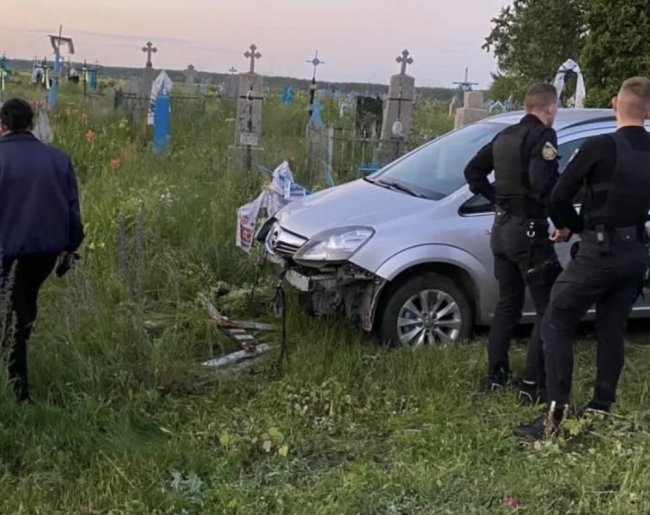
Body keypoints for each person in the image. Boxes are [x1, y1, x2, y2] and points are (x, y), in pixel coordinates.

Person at [515, 77, 650, 440]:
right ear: (649, 111)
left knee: (556, 319)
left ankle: (555, 416)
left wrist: (573, 227)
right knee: (612, 328)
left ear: (615, 104)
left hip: (599, 252)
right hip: (636, 254)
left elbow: (558, 197)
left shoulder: (600, 146)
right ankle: (601, 407)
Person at [464, 83, 570, 404]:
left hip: (501, 230)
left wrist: (498, 199)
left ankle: (496, 376)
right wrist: (559, 220)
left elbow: (473, 172)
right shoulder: (544, 136)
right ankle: (531, 384)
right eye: (555, 108)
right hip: (529, 232)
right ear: (550, 108)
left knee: (508, 304)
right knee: (548, 307)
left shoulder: (504, 136)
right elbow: (542, 184)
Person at [0, 98, 84, 402]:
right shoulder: (58, 159)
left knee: (12, 314)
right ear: (32, 124)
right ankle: (17, 389)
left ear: (2, 126)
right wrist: (70, 247)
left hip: (5, 250)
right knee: (21, 311)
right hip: (42, 253)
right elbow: (72, 211)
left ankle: (15, 390)